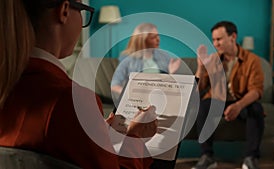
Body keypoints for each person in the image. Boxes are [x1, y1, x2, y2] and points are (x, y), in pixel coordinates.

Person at [0, 0, 157, 168]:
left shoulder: (9, 86)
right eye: (83, 10)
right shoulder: (72, 100)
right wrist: (135, 136)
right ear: (64, 10)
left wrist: (96, 130)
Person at [192, 21, 265, 169]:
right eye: (213, 40)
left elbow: (256, 90)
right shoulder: (213, 59)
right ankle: (207, 156)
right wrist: (200, 68)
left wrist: (238, 106)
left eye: (219, 39)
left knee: (256, 109)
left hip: (241, 100)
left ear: (233, 37)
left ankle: (251, 158)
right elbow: (196, 92)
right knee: (203, 107)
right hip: (217, 101)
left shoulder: (252, 60)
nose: (215, 43)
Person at [111, 23, 181, 99]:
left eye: (158, 35)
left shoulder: (164, 56)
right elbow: (115, 85)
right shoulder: (127, 58)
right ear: (142, 40)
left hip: (161, 97)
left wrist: (171, 73)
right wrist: (129, 93)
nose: (158, 39)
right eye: (153, 37)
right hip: (139, 99)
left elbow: (170, 86)